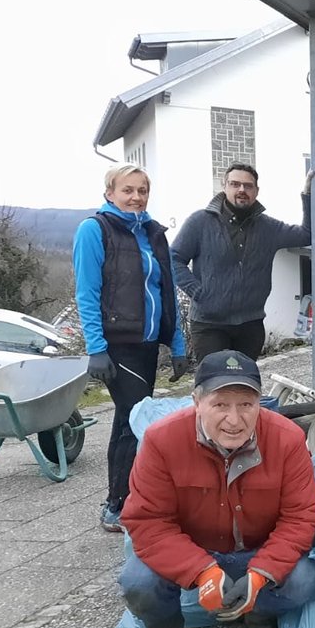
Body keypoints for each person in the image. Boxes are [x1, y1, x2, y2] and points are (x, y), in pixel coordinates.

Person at [118, 351, 315, 628]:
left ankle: (259, 617)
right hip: (193, 549)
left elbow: (301, 516)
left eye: (246, 404)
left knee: (305, 580)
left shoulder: (286, 439)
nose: (235, 419)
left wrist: (261, 574)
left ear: (260, 402)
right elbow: (148, 522)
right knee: (137, 580)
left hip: (256, 551)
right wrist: (202, 571)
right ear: (197, 401)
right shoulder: (160, 441)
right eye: (220, 404)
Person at [72, 164, 188, 533]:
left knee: (137, 420)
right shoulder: (95, 230)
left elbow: (166, 290)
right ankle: (116, 505)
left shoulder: (154, 233)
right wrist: (96, 348)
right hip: (116, 346)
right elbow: (87, 293)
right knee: (131, 421)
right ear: (110, 192)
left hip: (148, 344)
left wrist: (178, 343)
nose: (136, 197)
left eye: (142, 190)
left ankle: (137, 496)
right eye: (128, 190)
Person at [171, 163, 314, 360]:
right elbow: (173, 259)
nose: (241, 190)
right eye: (235, 184)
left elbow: (307, 235)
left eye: (248, 186)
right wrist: (198, 291)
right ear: (224, 186)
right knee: (214, 385)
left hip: (250, 325)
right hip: (210, 326)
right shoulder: (200, 222)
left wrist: (309, 197)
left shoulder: (269, 228)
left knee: (246, 386)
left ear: (256, 191)